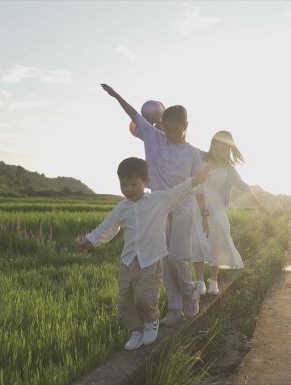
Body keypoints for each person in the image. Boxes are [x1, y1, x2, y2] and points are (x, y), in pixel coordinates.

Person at [101, 84, 210, 327]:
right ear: (161, 125)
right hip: (158, 210)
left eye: (176, 130)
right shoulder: (154, 139)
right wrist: (117, 95)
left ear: (186, 127)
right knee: (163, 259)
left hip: (183, 211)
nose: (170, 134)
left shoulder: (192, 154)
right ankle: (174, 307)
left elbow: (199, 185)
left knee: (178, 259)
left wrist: (204, 214)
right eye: (166, 129)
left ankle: (190, 292)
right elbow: (134, 116)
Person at [77, 157, 210, 350]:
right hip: (129, 260)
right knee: (126, 299)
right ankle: (135, 330)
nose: (128, 189)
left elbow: (179, 191)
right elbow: (107, 227)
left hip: (151, 259)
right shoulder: (121, 207)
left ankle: (150, 322)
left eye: (133, 184)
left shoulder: (158, 200)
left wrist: (196, 180)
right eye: (124, 184)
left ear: (146, 182)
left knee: (145, 297)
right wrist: (89, 241)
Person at [191, 131, 269, 295]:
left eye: (224, 149)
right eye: (216, 147)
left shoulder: (230, 170)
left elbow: (244, 187)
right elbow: (183, 145)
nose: (219, 151)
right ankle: (199, 282)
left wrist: (259, 204)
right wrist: (162, 129)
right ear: (212, 145)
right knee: (197, 241)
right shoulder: (199, 158)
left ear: (229, 150)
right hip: (196, 205)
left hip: (217, 209)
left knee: (217, 241)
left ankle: (213, 281)